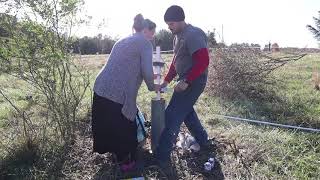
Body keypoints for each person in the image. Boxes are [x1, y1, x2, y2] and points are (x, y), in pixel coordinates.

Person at [92, 14, 158, 171]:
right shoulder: (145, 43)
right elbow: (148, 72)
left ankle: (114, 154)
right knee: (124, 126)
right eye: (153, 32)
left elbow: (128, 66)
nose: (153, 36)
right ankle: (126, 162)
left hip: (101, 87)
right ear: (146, 30)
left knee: (107, 124)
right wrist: (154, 86)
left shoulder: (123, 40)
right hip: (117, 93)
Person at [155, 5, 210, 167]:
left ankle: (161, 156)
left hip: (194, 81)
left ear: (180, 20)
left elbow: (203, 61)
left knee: (171, 115)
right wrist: (167, 80)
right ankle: (203, 141)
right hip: (184, 80)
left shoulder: (193, 34)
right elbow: (176, 61)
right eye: (167, 24)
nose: (169, 27)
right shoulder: (177, 36)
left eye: (171, 23)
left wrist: (187, 81)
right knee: (186, 112)